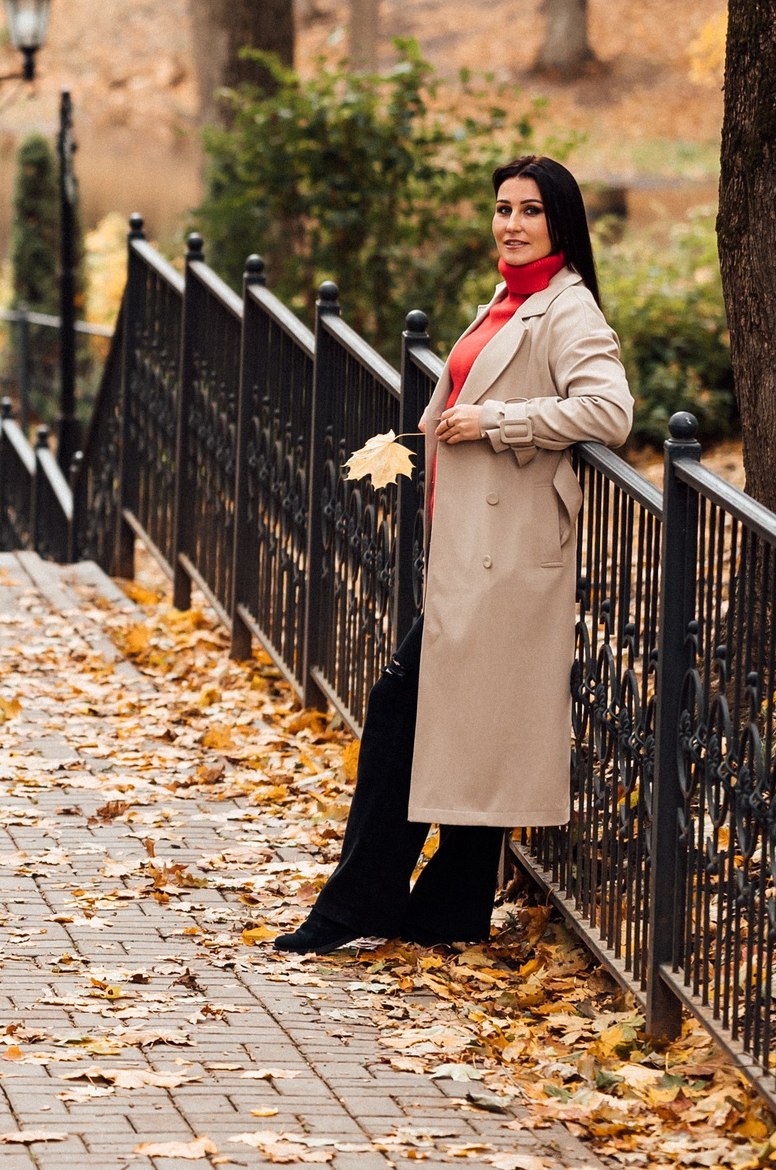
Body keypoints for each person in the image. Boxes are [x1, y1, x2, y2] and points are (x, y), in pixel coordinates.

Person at [275, 155, 633, 953]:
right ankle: (446, 911)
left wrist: (499, 423)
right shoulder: (508, 299)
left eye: (529, 211)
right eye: (502, 208)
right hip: (473, 552)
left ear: (561, 224)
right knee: (476, 729)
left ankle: (355, 904)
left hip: (508, 560)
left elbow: (610, 410)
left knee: (404, 708)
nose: (510, 223)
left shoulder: (567, 309)